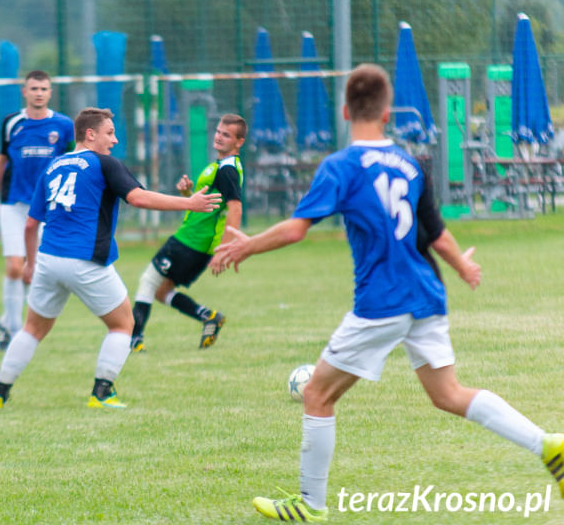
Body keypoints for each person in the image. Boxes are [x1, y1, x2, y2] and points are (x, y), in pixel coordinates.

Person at [212, 64, 564, 521]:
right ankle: (549, 444)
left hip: (383, 302)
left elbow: (298, 229)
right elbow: (435, 233)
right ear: (386, 112)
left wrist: (248, 245)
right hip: (426, 293)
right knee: (448, 394)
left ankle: (309, 505)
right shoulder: (410, 164)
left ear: (344, 110)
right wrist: (463, 265)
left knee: (318, 393)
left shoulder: (341, 166)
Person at [0, 108, 221, 410]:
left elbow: (31, 225)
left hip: (48, 258)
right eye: (109, 133)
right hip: (85, 259)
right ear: (90, 134)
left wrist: (30, 263)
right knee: (124, 323)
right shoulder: (103, 163)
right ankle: (102, 392)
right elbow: (138, 197)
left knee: (32, 328)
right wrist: (189, 203)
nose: (114, 139)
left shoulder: (54, 165)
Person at [130, 114, 245, 352]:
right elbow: (210, 204)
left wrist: (225, 248)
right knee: (162, 291)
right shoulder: (220, 167)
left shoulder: (227, 170)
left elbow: (235, 208)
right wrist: (188, 194)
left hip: (191, 241)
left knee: (148, 282)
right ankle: (208, 317)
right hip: (195, 241)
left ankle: (133, 340)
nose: (219, 137)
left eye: (226, 134)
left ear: (239, 142)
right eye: (218, 131)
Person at [0, 70, 75, 351]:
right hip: (12, 204)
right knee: (15, 266)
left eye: (44, 88)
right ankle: (13, 332)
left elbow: (74, 161)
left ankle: (7, 321)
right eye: (34, 88)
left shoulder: (63, 126)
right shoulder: (11, 123)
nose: (39, 93)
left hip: (48, 208)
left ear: (50, 93)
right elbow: (1, 161)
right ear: (24, 92)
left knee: (33, 270)